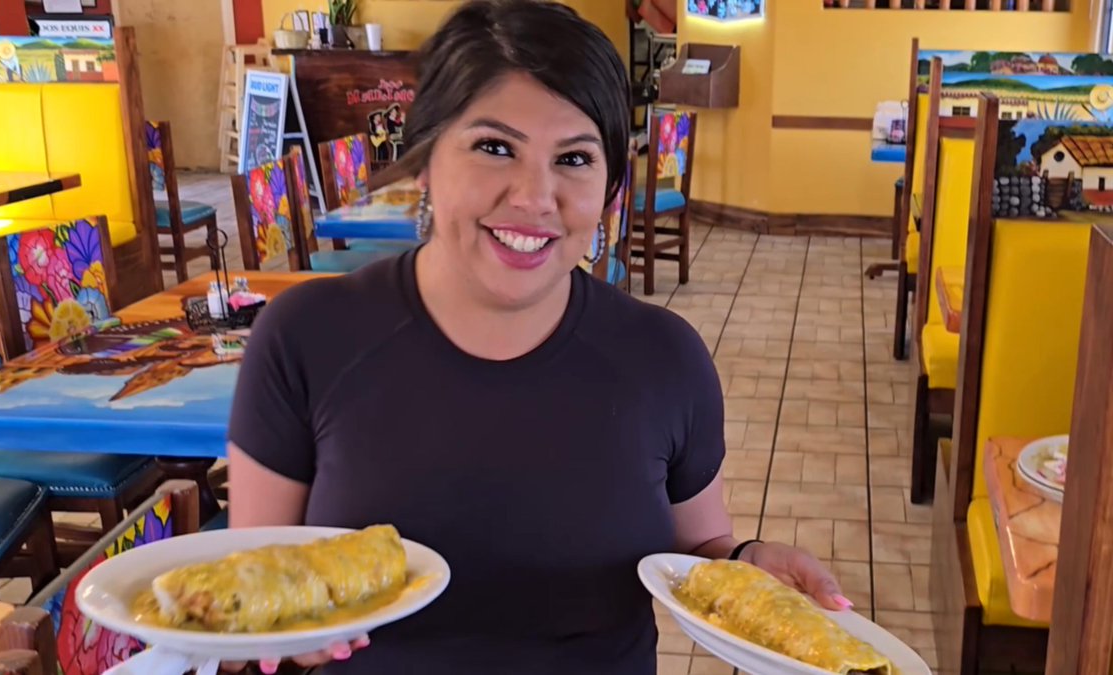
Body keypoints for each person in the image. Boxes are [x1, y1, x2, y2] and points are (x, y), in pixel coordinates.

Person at [225, 1, 850, 674]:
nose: (534, 195)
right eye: (494, 147)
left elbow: (700, 549)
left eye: (575, 158)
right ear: (426, 158)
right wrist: (265, 642)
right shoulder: (307, 338)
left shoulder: (666, 358)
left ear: (611, 189)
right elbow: (243, 598)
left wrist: (745, 561)